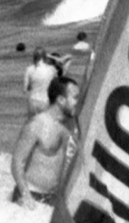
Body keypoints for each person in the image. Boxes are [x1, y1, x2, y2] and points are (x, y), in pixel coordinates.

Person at [10, 75, 80, 205]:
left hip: (51, 200)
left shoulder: (70, 127)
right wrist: (26, 196)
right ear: (61, 100)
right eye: (75, 97)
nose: (79, 102)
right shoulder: (37, 124)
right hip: (30, 196)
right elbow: (17, 161)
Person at [23, 49, 61, 114]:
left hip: (33, 101)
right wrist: (51, 57)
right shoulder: (52, 69)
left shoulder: (29, 69)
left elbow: (25, 89)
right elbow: (57, 86)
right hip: (46, 101)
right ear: (45, 57)